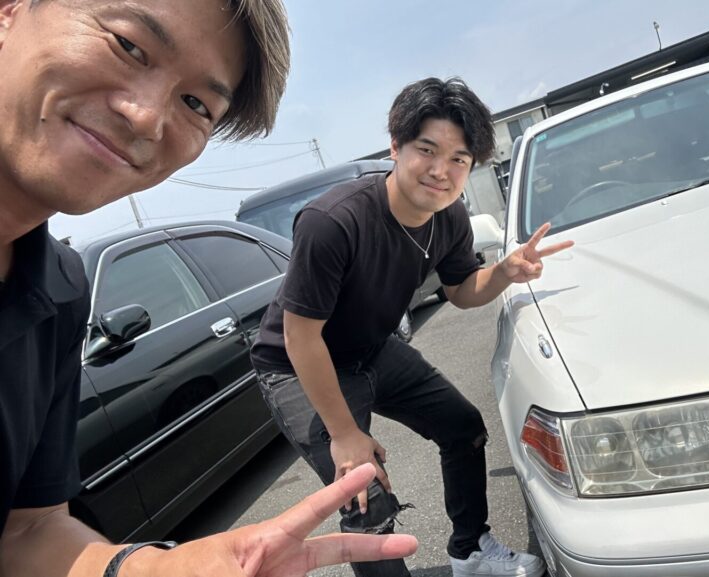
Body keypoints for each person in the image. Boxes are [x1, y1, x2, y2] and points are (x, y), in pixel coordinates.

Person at [0, 0, 417, 575]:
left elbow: (27, 529)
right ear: (10, 11)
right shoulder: (330, 224)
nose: (146, 118)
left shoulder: (61, 292)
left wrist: (155, 568)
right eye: (128, 45)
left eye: (196, 104)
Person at [249, 77, 573, 577]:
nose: (441, 171)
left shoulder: (450, 217)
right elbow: (300, 336)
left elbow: (462, 291)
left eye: (459, 158)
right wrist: (345, 434)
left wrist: (504, 272)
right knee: (362, 489)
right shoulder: (332, 222)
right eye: (427, 150)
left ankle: (469, 550)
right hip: (299, 363)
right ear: (396, 146)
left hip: (372, 348)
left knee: (463, 428)